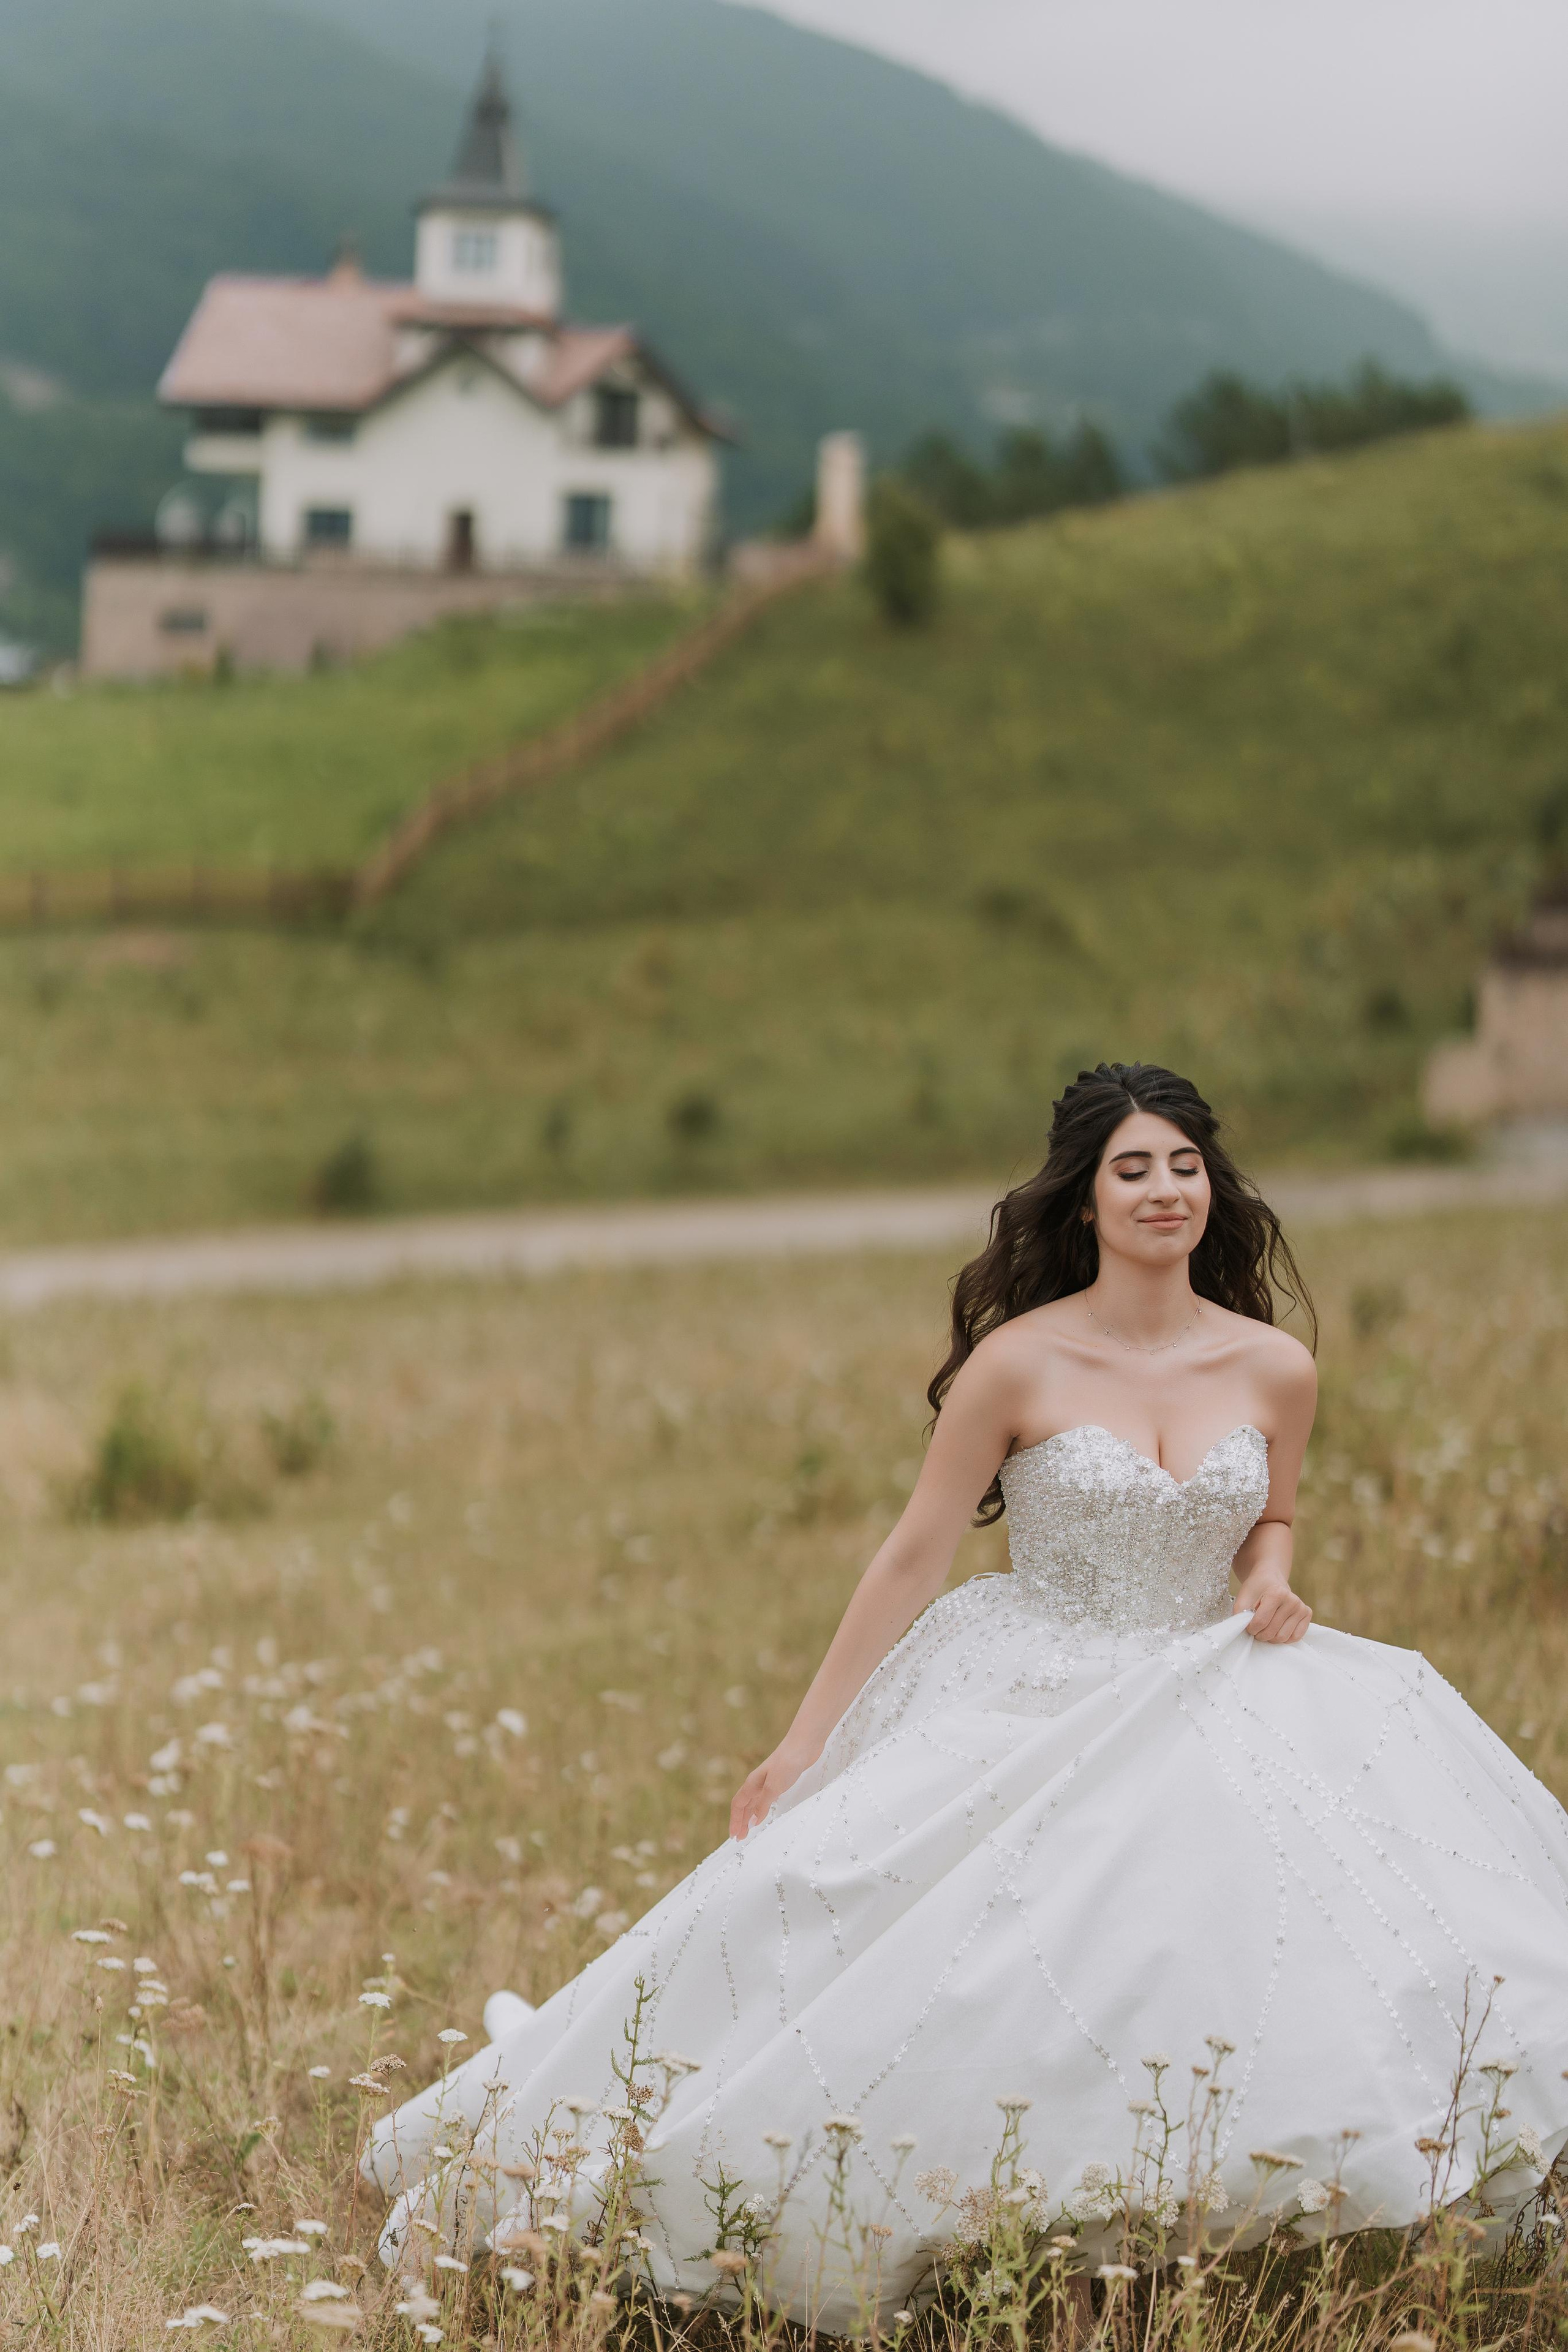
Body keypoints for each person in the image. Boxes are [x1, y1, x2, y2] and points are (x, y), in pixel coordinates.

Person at [368, 1063, 1568, 2328]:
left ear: (1213, 1187)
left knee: (1258, 1944)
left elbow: (1270, 1515)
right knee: (896, 1927)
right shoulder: (1019, 1362)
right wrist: (800, 1741)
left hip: (1211, 1679)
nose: (1164, 1192)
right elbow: (913, 1550)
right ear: (1084, 1199)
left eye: (1183, 1166)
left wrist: (1271, 1582)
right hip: (1031, 1678)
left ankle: (1200, 2217)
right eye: (1132, 1170)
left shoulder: (1272, 1366)